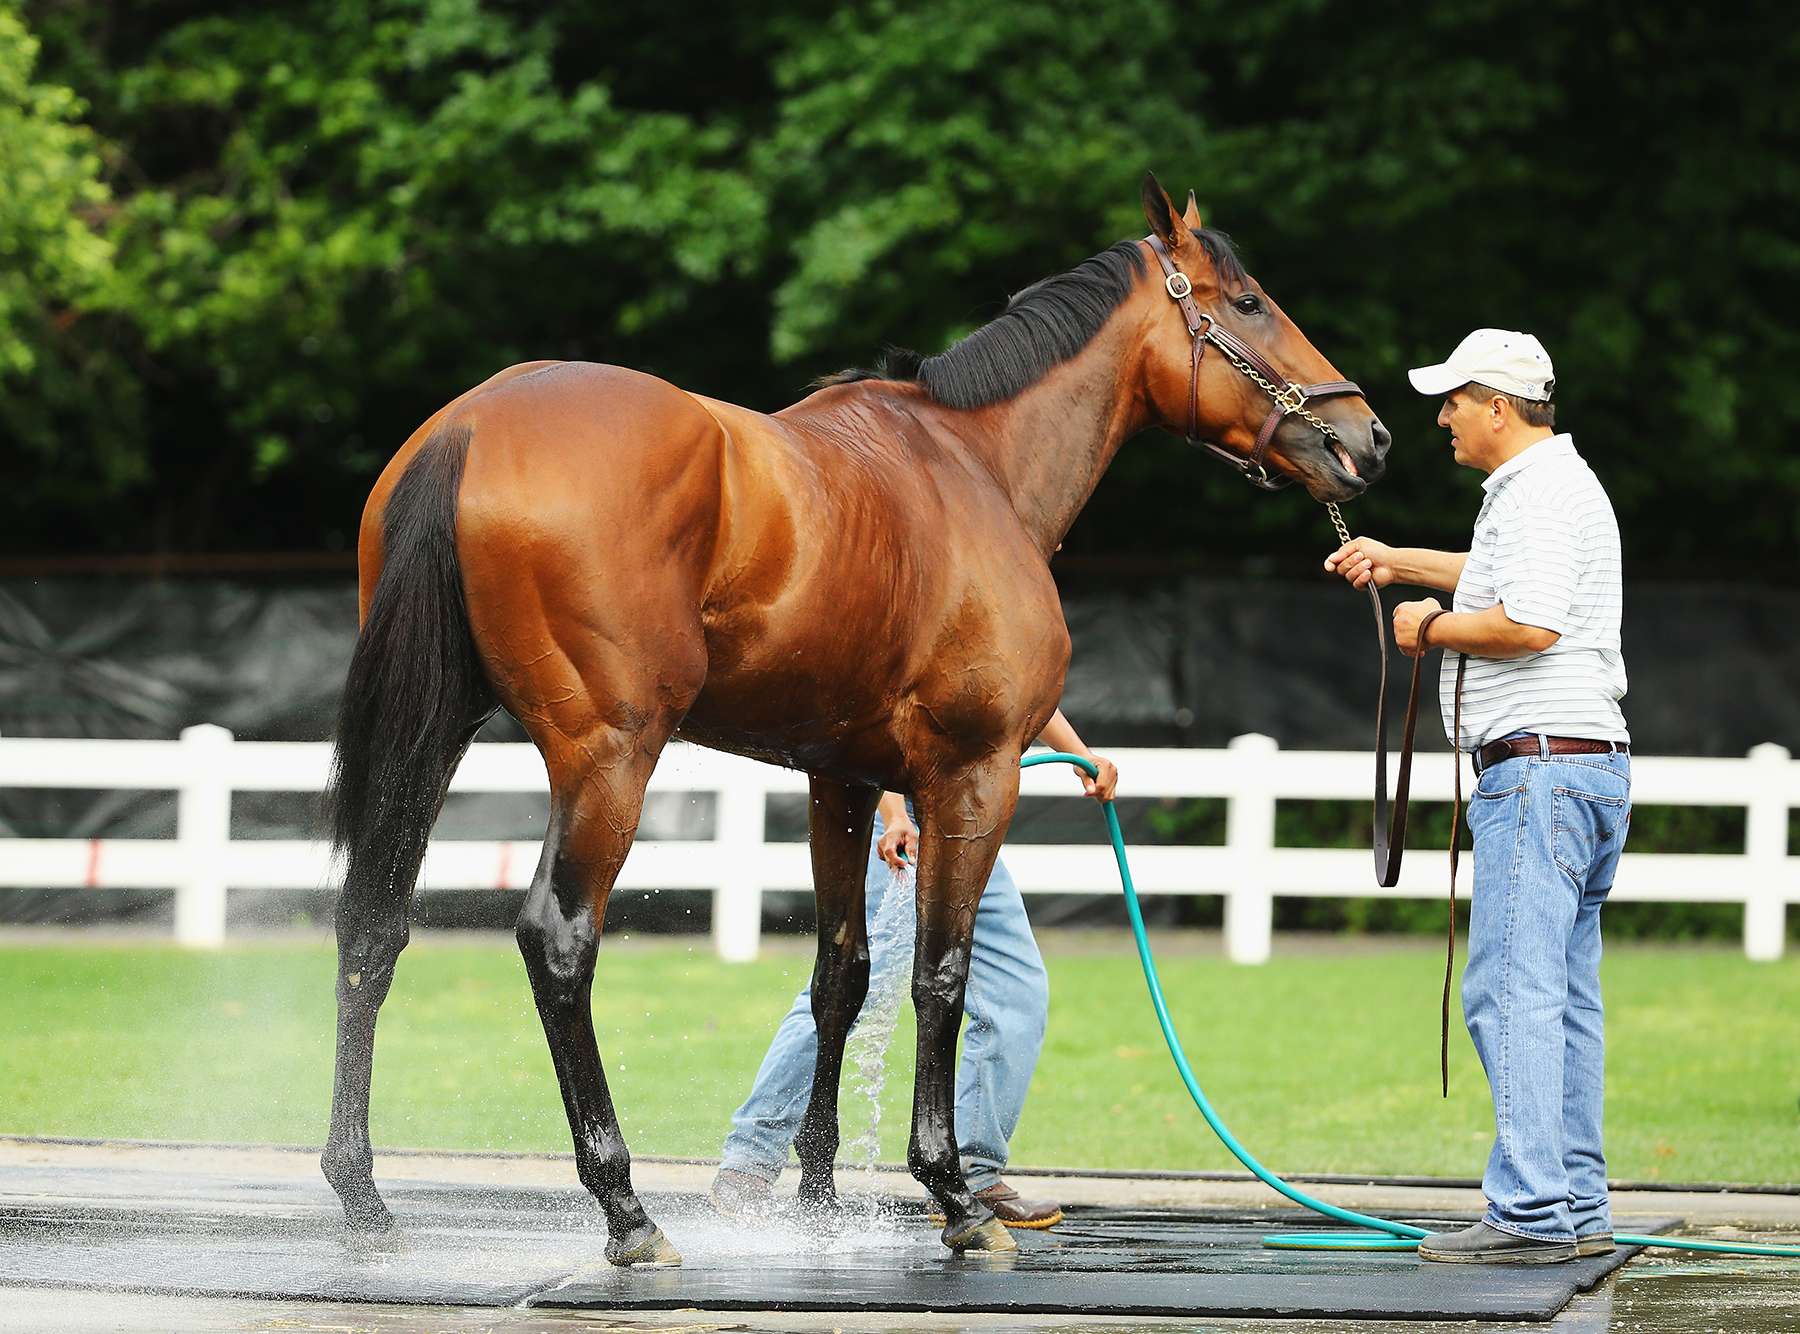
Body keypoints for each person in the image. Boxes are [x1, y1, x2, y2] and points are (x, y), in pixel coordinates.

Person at [1325, 329, 1631, 1265]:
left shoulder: (1536, 496)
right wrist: (1400, 561)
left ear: (1498, 405)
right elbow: (1503, 577)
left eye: (1453, 399)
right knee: (1565, 997)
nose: (1442, 416)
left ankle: (1531, 1215)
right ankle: (1574, 1207)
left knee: (1511, 993)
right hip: (1585, 765)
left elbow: (1527, 622)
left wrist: (1429, 628)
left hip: (1536, 772)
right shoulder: (1550, 488)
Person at [712, 708, 1118, 1230]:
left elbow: (1022, 679)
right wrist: (892, 813)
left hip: (968, 823)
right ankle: (750, 1160)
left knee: (1016, 995)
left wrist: (1081, 755)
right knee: (847, 991)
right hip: (909, 825)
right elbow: (875, 703)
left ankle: (972, 1173)